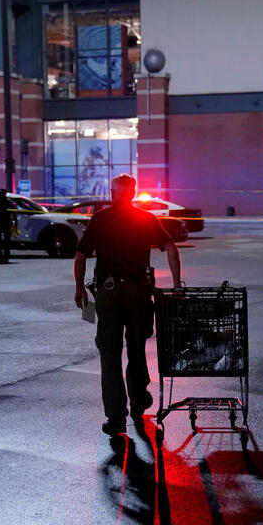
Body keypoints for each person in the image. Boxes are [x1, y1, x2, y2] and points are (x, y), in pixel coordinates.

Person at [73, 173, 182, 436]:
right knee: (136, 347)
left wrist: (79, 288)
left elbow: (80, 255)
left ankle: (116, 416)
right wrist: (177, 285)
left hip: (108, 293)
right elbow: (170, 247)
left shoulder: (100, 219)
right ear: (133, 193)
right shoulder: (145, 219)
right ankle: (138, 401)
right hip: (137, 293)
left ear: (113, 192)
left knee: (109, 353)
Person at [0, 189, 13, 264]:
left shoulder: (5, 202)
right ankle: (1, 257)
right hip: (1, 223)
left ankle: (3, 257)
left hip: (3, 223)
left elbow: (13, 212)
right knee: (0, 242)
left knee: (2, 242)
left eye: (0, 193)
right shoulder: (7, 201)